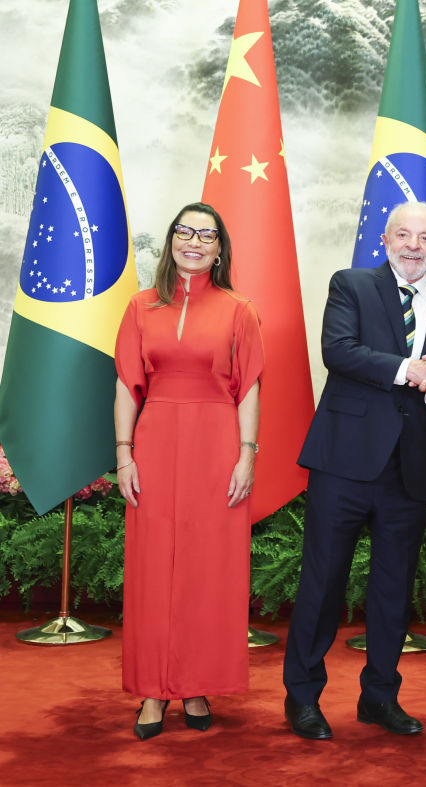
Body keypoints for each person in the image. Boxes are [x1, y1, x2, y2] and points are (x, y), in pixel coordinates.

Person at [282, 202, 426, 740]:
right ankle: (302, 698)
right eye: (403, 234)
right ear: (385, 239)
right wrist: (413, 370)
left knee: (393, 589)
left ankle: (380, 697)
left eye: (425, 238)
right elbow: (339, 352)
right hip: (344, 462)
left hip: (408, 470)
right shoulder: (352, 285)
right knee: (322, 583)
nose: (413, 246)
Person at [114, 202, 264, 740]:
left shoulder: (239, 310)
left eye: (206, 235)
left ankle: (196, 684)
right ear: (171, 240)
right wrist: (124, 453)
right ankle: (154, 690)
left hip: (217, 444)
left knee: (207, 569)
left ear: (220, 249)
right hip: (154, 443)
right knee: (153, 568)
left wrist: (247, 454)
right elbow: (126, 383)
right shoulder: (140, 306)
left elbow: (249, 387)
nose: (194, 242)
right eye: (185, 232)